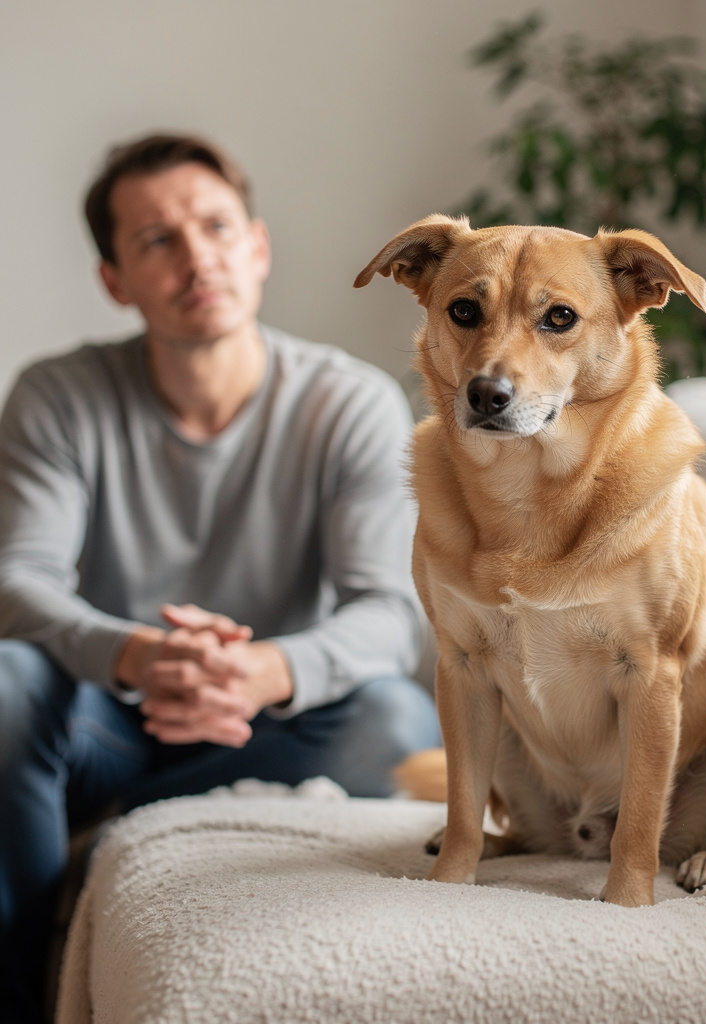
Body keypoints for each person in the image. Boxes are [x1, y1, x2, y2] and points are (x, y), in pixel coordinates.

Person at [0, 133, 441, 1023]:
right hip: (110, 718)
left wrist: (264, 670)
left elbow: (390, 614)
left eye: (215, 226)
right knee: (6, 684)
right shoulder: (58, 395)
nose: (197, 255)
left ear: (258, 247)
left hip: (276, 721)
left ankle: (114, 827)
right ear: (116, 281)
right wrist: (135, 656)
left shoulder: (348, 402)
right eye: (158, 240)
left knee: (398, 715)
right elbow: (18, 583)